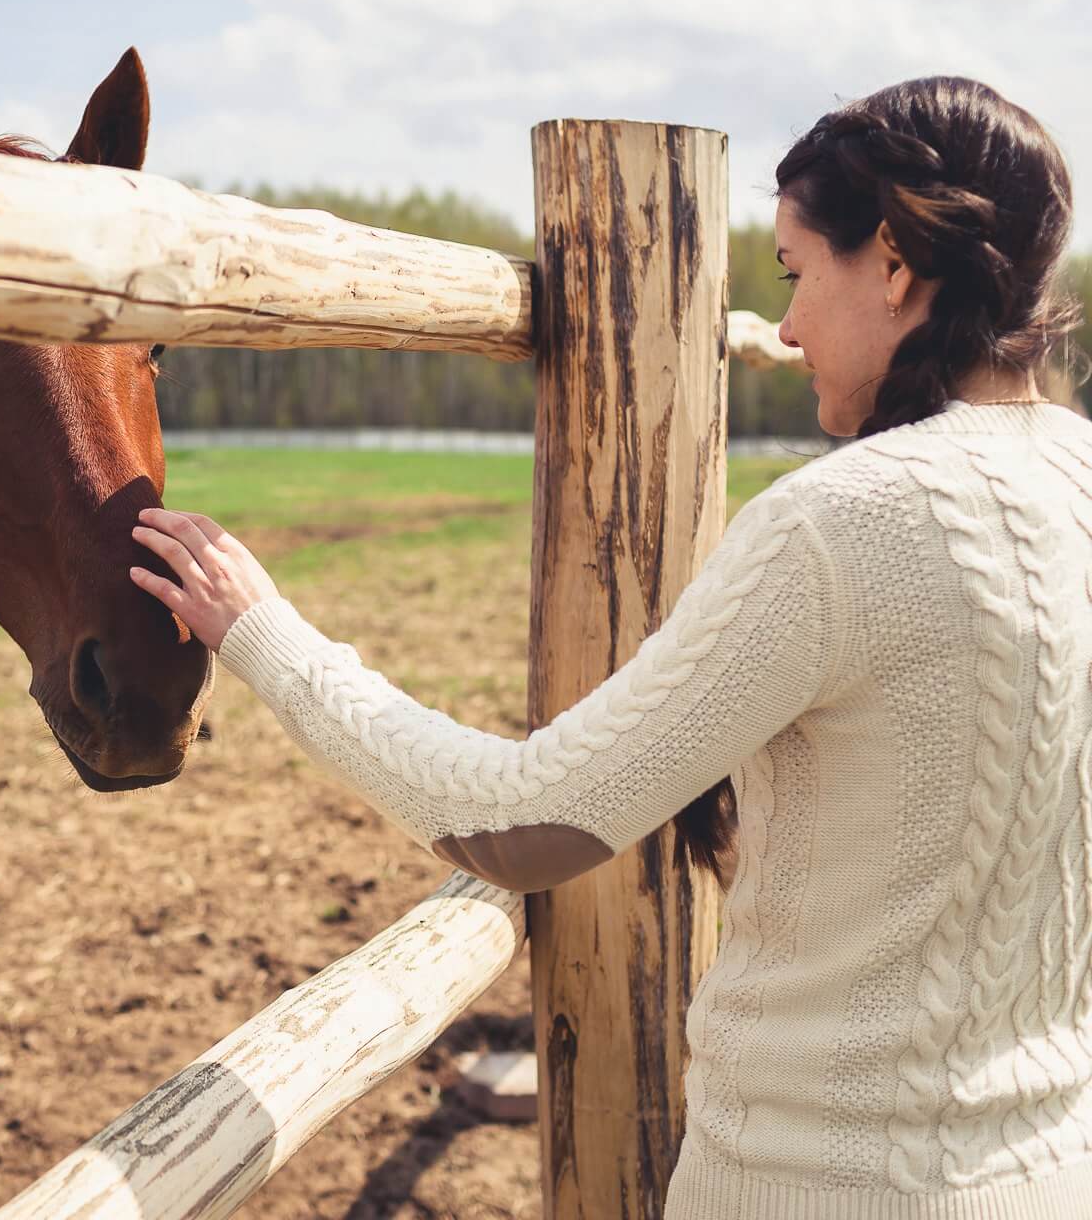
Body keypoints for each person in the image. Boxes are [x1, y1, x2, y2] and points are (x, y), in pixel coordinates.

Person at [130, 77, 1091, 1218]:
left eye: (793, 271)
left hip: (813, 1185)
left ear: (890, 261)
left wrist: (265, 636)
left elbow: (525, 818)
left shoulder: (839, 525)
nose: (782, 325)